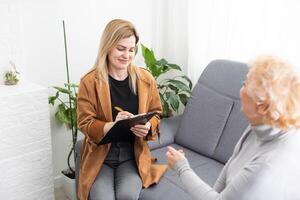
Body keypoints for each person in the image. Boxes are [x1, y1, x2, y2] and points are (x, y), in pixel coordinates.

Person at [166, 56, 300, 200]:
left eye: (245, 84)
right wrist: (214, 191)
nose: (240, 89)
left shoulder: (268, 164)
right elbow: (232, 163)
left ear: (263, 106)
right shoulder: (260, 125)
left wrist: (181, 167)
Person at [77, 19, 167, 200]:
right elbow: (85, 122)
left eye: (131, 49)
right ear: (108, 46)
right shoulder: (89, 82)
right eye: (121, 48)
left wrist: (148, 126)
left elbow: (156, 112)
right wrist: (111, 125)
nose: (127, 55)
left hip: (132, 155)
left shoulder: (146, 79)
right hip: (101, 156)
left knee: (127, 196)